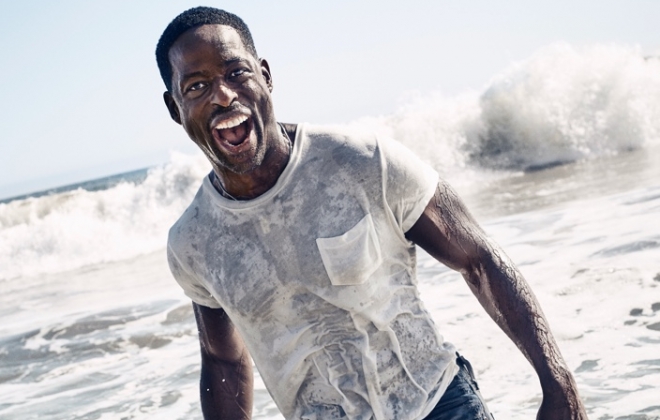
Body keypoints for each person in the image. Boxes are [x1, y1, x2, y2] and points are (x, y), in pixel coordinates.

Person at [156, 6, 588, 420]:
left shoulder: (363, 162)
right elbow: (223, 359)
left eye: (237, 73)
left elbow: (479, 259)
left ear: (266, 76)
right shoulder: (195, 241)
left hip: (439, 404)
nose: (224, 95)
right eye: (196, 86)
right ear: (175, 109)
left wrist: (559, 384)